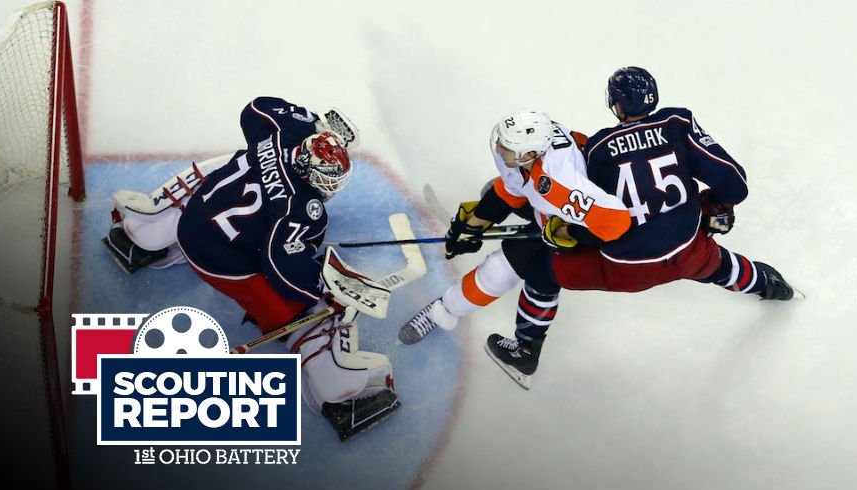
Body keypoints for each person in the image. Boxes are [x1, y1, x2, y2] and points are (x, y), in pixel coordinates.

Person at [400, 67, 796, 390]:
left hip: (625, 264)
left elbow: (608, 220)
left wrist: (564, 235)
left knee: (535, 269)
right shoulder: (678, 122)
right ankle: (770, 285)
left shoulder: (598, 149)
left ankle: (522, 351)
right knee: (718, 266)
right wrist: (716, 207)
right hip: (690, 247)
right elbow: (734, 184)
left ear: (615, 104)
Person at [102, 96, 399, 441]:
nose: (331, 187)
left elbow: (257, 107)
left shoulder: (280, 135)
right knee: (305, 308)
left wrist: (314, 124)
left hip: (191, 221)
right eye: (329, 179)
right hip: (223, 266)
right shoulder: (300, 209)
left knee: (222, 169)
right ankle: (337, 390)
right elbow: (279, 266)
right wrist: (325, 287)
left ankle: (145, 232)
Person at [398, 109, 632, 389]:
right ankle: (446, 309)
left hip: (590, 229)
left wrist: (565, 233)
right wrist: (473, 226)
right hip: (559, 210)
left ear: (528, 155)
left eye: (506, 146)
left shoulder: (558, 181)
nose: (498, 147)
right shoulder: (528, 157)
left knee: (508, 268)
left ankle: (453, 315)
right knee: (490, 193)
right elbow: (512, 189)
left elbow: (616, 223)